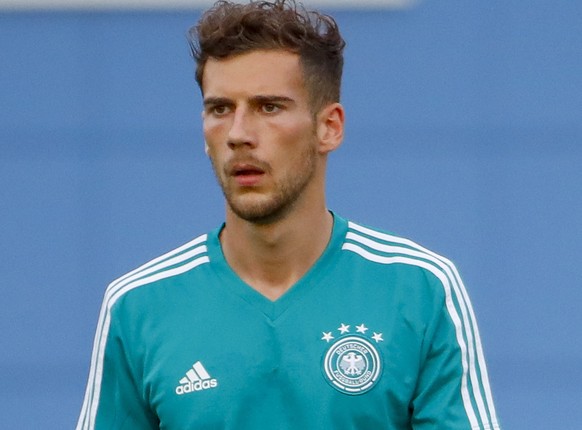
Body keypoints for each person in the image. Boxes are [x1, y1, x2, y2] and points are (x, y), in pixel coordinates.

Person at [76, 1, 501, 429]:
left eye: (269, 107)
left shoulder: (420, 289)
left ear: (329, 127)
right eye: (220, 109)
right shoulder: (138, 306)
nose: (239, 134)